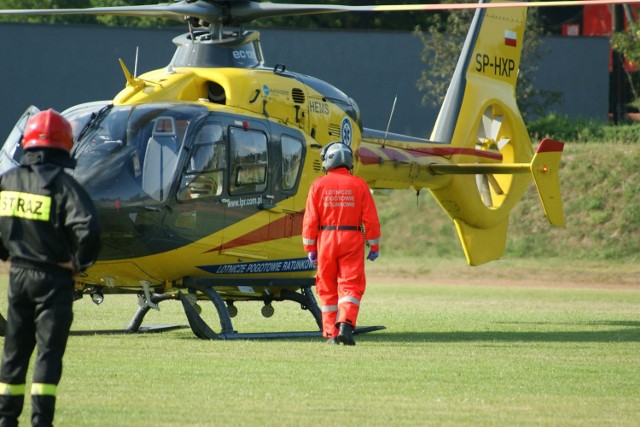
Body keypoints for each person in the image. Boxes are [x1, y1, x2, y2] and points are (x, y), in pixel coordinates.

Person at [0, 109, 101, 426]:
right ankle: (41, 422)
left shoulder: (8, 181)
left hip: (18, 278)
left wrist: (6, 252)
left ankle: (5, 419)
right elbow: (90, 230)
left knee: (14, 353)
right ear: (65, 145)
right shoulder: (63, 186)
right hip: (53, 279)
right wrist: (77, 264)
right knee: (47, 353)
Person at [302, 142, 380, 346]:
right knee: (351, 284)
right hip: (352, 239)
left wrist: (310, 248)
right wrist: (374, 245)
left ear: (328, 160)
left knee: (326, 286)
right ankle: (346, 325)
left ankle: (331, 334)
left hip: (326, 240)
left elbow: (310, 220)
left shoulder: (318, 185)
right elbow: (370, 220)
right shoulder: (359, 185)